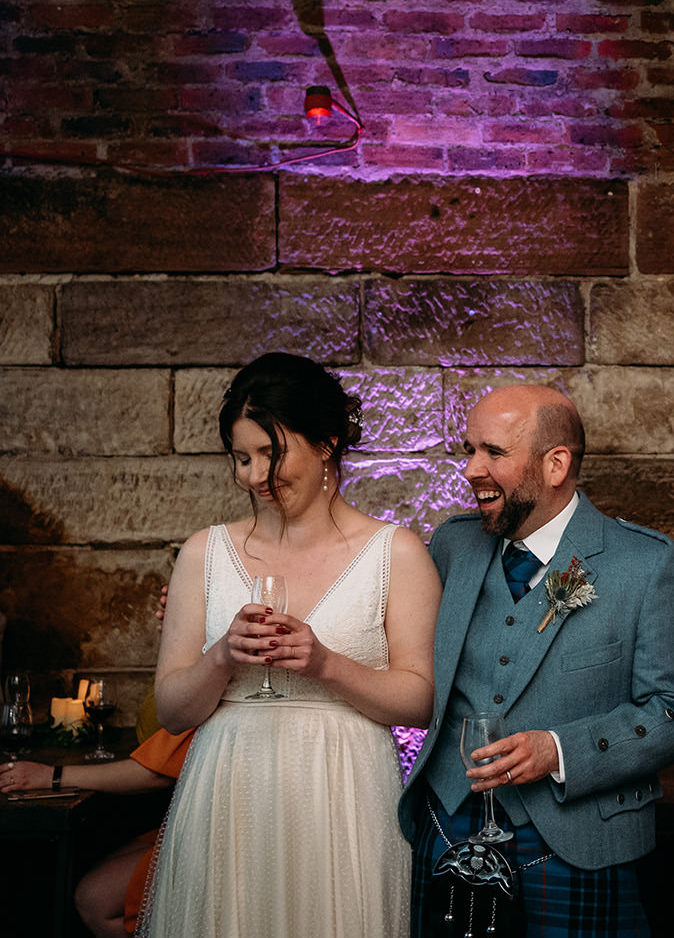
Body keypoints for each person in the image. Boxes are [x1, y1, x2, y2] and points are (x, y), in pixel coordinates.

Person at [144, 352, 442, 938]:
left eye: (271, 453)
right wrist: (222, 657)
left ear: (326, 443)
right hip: (230, 787)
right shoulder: (205, 553)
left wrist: (327, 664)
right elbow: (172, 710)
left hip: (343, 790)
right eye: (241, 457)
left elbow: (419, 701)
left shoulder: (397, 553)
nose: (255, 476)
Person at [398, 383, 674, 938]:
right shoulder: (452, 546)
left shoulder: (645, 565)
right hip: (448, 828)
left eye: (493, 452)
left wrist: (559, 750)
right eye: (470, 450)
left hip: (578, 841)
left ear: (556, 463)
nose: (471, 469)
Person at [0, 727, 190, 936]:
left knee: (95, 899)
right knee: (97, 860)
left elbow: (155, 774)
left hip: (215, 833)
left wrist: (51, 776)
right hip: (186, 821)